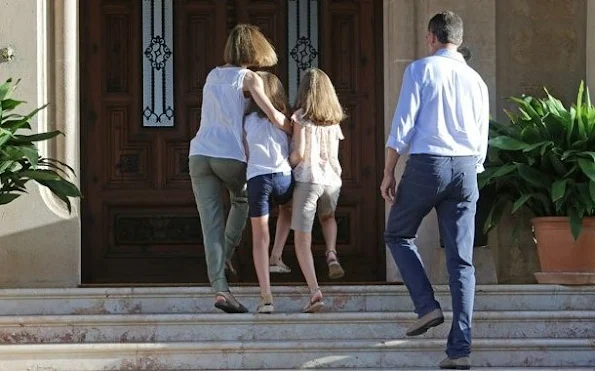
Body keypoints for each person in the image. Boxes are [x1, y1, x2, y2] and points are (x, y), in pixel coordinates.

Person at [380, 11, 489, 370]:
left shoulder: (420, 70)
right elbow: (481, 136)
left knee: (397, 233)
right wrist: (471, 170)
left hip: (429, 163)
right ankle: (460, 350)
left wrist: (388, 170)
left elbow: (402, 126)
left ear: (431, 38)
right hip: (467, 167)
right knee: (462, 261)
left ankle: (426, 306)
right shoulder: (476, 80)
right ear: (458, 39)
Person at [188, 24, 291, 314]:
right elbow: (273, 116)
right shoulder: (249, 78)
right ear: (254, 50)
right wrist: (298, 127)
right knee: (243, 198)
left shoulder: (212, 75)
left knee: (210, 225)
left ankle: (221, 290)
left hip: (199, 154)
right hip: (228, 154)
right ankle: (228, 254)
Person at [290, 68, 346, 312]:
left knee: (302, 237)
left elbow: (299, 154)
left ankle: (314, 291)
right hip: (332, 180)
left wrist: (287, 161)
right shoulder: (333, 121)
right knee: (328, 217)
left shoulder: (300, 117)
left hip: (308, 178)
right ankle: (331, 253)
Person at [243, 71, 294, 313]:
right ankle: (277, 254)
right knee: (288, 208)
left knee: (259, 238)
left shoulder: (247, 122)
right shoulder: (284, 120)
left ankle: (266, 297)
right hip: (283, 175)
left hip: (257, 179)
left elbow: (244, 152)